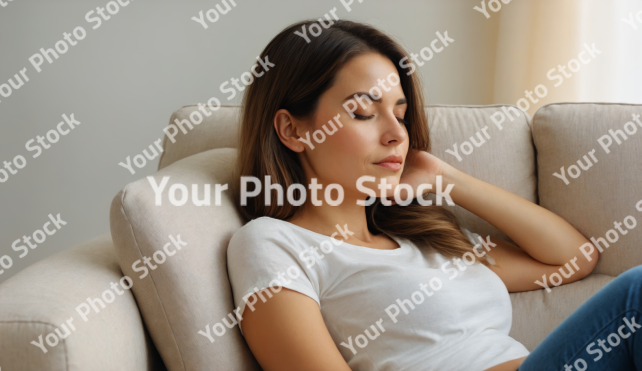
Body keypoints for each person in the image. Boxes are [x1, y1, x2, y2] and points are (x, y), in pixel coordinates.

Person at [226, 19, 642, 371]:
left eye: (401, 114)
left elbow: (574, 258)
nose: (395, 135)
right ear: (292, 130)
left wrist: (447, 178)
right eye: (363, 113)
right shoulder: (273, 243)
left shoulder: (420, 234)